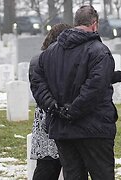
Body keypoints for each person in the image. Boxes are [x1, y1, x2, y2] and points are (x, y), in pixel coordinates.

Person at [32, 5, 121, 180]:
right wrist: (72, 111)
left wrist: (54, 107)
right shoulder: (99, 51)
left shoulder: (49, 52)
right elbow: (96, 88)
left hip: (63, 128)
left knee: (73, 175)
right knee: (102, 175)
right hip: (94, 129)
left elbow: (37, 84)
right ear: (94, 24)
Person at [29, 23, 72, 180]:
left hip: (50, 116)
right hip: (51, 116)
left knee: (48, 167)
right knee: (48, 168)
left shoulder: (39, 59)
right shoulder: (41, 61)